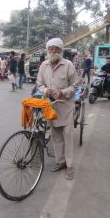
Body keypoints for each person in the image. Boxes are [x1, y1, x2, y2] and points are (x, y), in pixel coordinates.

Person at [37, 38, 78, 180]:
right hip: (51, 107)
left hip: (66, 107)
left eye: (56, 49)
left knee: (68, 136)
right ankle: (60, 162)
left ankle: (70, 165)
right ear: (48, 50)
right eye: (51, 48)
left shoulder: (68, 65)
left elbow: (74, 86)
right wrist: (46, 90)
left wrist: (63, 92)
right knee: (56, 137)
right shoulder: (43, 65)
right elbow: (39, 84)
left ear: (61, 50)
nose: (53, 51)